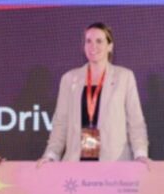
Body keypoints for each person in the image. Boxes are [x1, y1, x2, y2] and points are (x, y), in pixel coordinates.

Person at [39, 23, 148, 163]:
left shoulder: (124, 77)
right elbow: (60, 123)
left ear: (110, 46)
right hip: (76, 163)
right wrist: (51, 155)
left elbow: (136, 122)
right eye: (88, 41)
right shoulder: (69, 79)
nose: (93, 46)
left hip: (113, 163)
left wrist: (140, 154)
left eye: (99, 41)